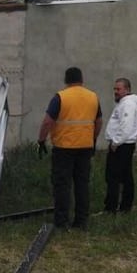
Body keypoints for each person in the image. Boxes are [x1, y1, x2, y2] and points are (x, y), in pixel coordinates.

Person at [37, 67, 102, 230]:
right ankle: (81, 221)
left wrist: (41, 140)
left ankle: (62, 222)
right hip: (85, 147)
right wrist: (93, 138)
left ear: (66, 80)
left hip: (64, 148)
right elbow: (99, 121)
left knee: (62, 185)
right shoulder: (93, 97)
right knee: (82, 184)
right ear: (82, 79)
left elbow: (47, 122)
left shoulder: (60, 97)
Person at [103, 78, 137, 214]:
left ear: (127, 90)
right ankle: (125, 206)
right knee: (126, 175)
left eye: (118, 89)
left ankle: (112, 208)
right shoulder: (124, 103)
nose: (115, 92)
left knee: (113, 176)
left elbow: (125, 126)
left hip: (122, 145)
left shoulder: (128, 104)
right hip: (123, 144)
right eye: (114, 89)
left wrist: (115, 142)